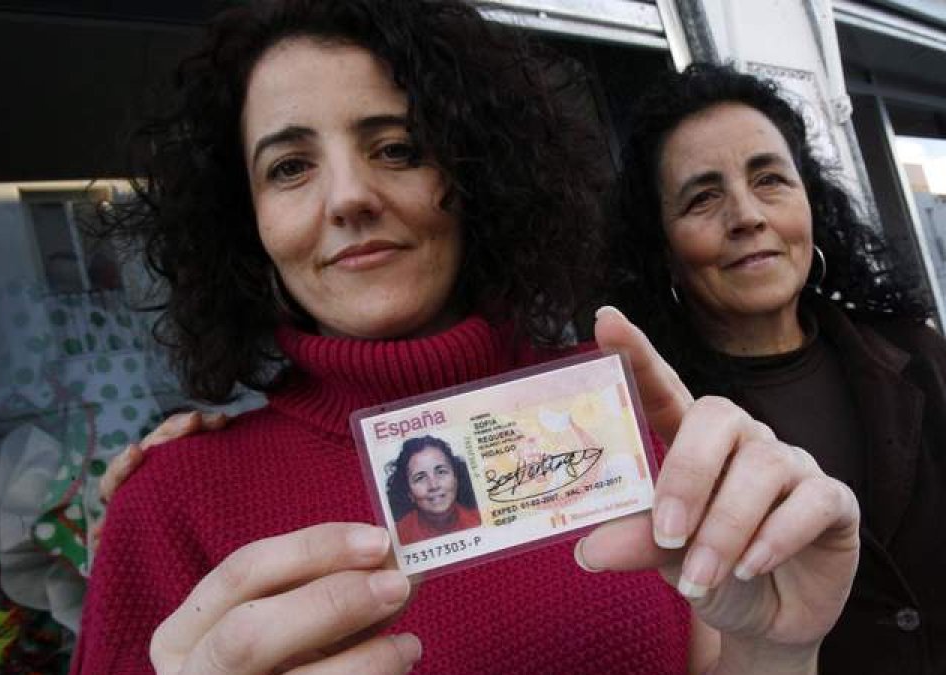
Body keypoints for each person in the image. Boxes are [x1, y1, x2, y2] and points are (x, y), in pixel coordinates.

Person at [75, 2, 860, 673]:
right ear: (243, 221)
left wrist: (782, 653)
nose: (349, 196)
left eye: (397, 148)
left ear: (481, 170)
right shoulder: (166, 504)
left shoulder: (620, 417)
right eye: (288, 167)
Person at [606, 62, 946, 673]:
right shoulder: (659, 437)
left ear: (811, 204)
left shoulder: (921, 355)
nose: (746, 215)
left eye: (769, 179)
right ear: (662, 246)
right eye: (703, 196)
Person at [387, 435, 481, 545]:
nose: (434, 485)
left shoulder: (481, 519)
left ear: (456, 478)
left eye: (441, 472)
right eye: (420, 478)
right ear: (409, 492)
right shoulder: (397, 538)